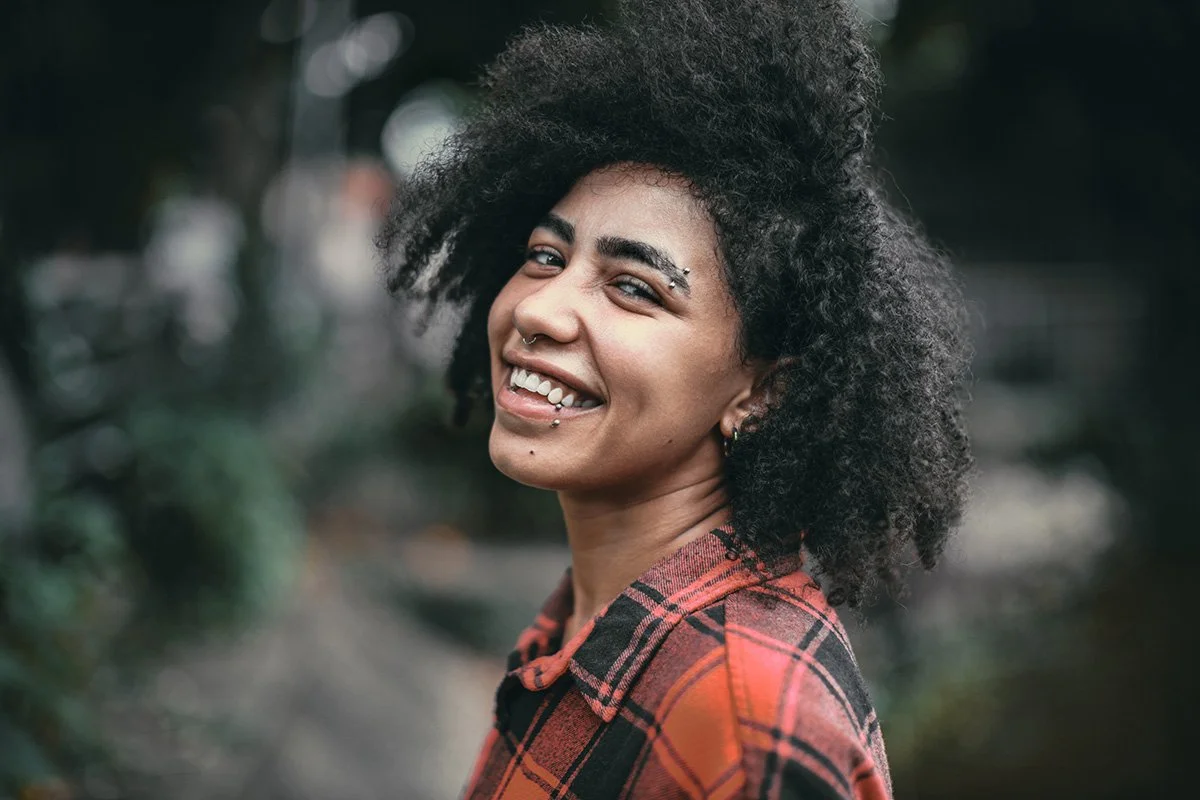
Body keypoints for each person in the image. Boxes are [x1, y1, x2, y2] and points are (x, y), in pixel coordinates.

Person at [380, 0, 972, 797]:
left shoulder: (742, 722)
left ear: (762, 390)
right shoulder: (589, 626)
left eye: (634, 288)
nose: (538, 309)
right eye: (545, 255)